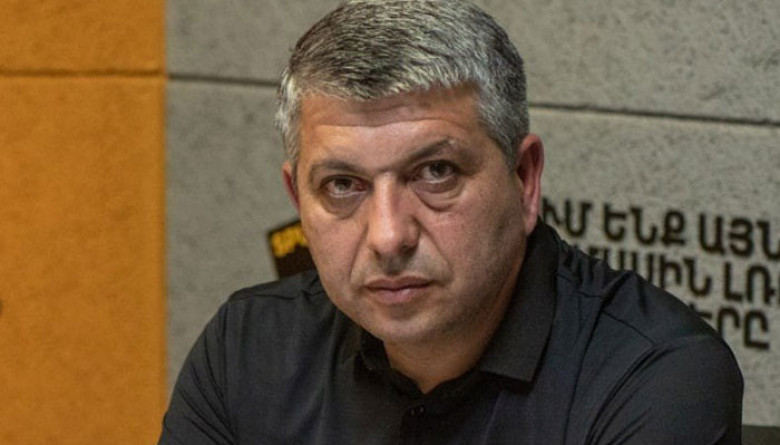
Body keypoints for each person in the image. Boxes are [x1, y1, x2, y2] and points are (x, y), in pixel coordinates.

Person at [159, 1, 743, 443]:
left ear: (524, 178)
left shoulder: (652, 376)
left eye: (435, 173)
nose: (388, 236)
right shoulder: (246, 349)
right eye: (343, 185)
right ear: (297, 198)